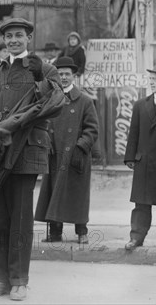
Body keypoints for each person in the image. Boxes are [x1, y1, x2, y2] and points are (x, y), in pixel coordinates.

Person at [0, 17, 59, 301]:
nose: (13, 40)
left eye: (19, 35)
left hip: (26, 151)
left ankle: (19, 280)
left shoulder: (44, 69)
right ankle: (0, 278)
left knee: (21, 220)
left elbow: (54, 104)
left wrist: (40, 78)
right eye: (9, 36)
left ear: (28, 38)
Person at [34, 57, 99, 244]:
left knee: (77, 194)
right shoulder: (51, 99)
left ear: (74, 76)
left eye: (67, 74)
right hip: (55, 154)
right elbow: (43, 124)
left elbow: (92, 129)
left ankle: (82, 231)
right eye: (60, 74)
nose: (63, 77)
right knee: (54, 192)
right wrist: (46, 142)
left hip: (76, 155)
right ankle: (54, 232)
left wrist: (81, 146)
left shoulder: (85, 101)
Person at [123, 61, 156, 251]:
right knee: (141, 204)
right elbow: (133, 133)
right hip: (145, 162)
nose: (151, 82)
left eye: (155, 79)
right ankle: (136, 237)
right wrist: (130, 157)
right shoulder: (140, 105)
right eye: (150, 79)